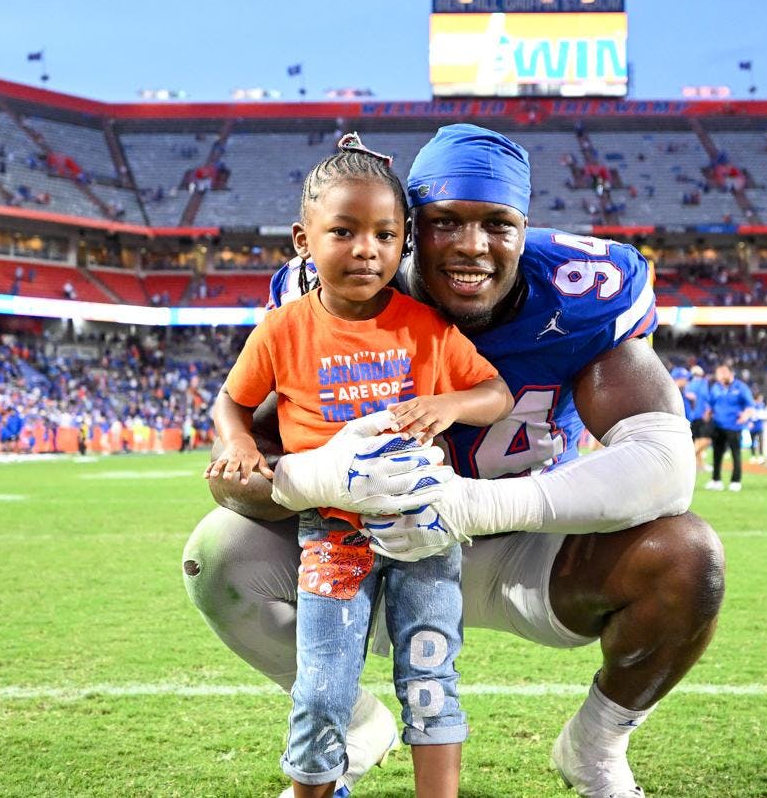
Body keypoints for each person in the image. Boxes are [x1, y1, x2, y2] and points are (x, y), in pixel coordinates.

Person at [183, 123, 721, 798]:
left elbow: (665, 463)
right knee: (218, 556)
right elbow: (231, 475)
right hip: (363, 547)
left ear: (525, 229)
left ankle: (597, 749)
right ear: (410, 230)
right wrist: (319, 476)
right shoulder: (333, 291)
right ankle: (356, 726)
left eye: (497, 224)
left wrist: (469, 504)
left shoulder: (582, 292)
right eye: (445, 224)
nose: (472, 246)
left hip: (526, 545)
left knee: (688, 557)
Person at [205, 133, 514, 798]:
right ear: (302, 239)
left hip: (425, 532)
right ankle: (318, 787)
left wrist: (448, 402)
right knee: (322, 687)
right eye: (343, 231)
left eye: (383, 234)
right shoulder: (284, 329)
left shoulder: (426, 327)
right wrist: (236, 442)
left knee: (431, 683)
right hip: (332, 533)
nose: (365, 250)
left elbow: (496, 395)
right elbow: (230, 403)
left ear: (404, 243)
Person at [704, 364, 754, 491]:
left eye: (722, 373)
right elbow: (710, 404)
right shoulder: (716, 387)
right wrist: (707, 414)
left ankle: (735, 481)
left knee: (735, 454)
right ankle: (716, 480)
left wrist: (745, 415)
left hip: (734, 426)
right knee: (717, 454)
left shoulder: (741, 387)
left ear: (730, 373)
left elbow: (750, 405)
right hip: (718, 425)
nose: (719, 376)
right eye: (718, 373)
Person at [685, 365, 712, 472]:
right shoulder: (703, 383)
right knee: (706, 440)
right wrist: (708, 412)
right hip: (701, 415)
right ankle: (689, 460)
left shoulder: (689, 385)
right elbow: (706, 398)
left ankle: (700, 465)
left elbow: (689, 397)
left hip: (691, 417)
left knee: (695, 440)